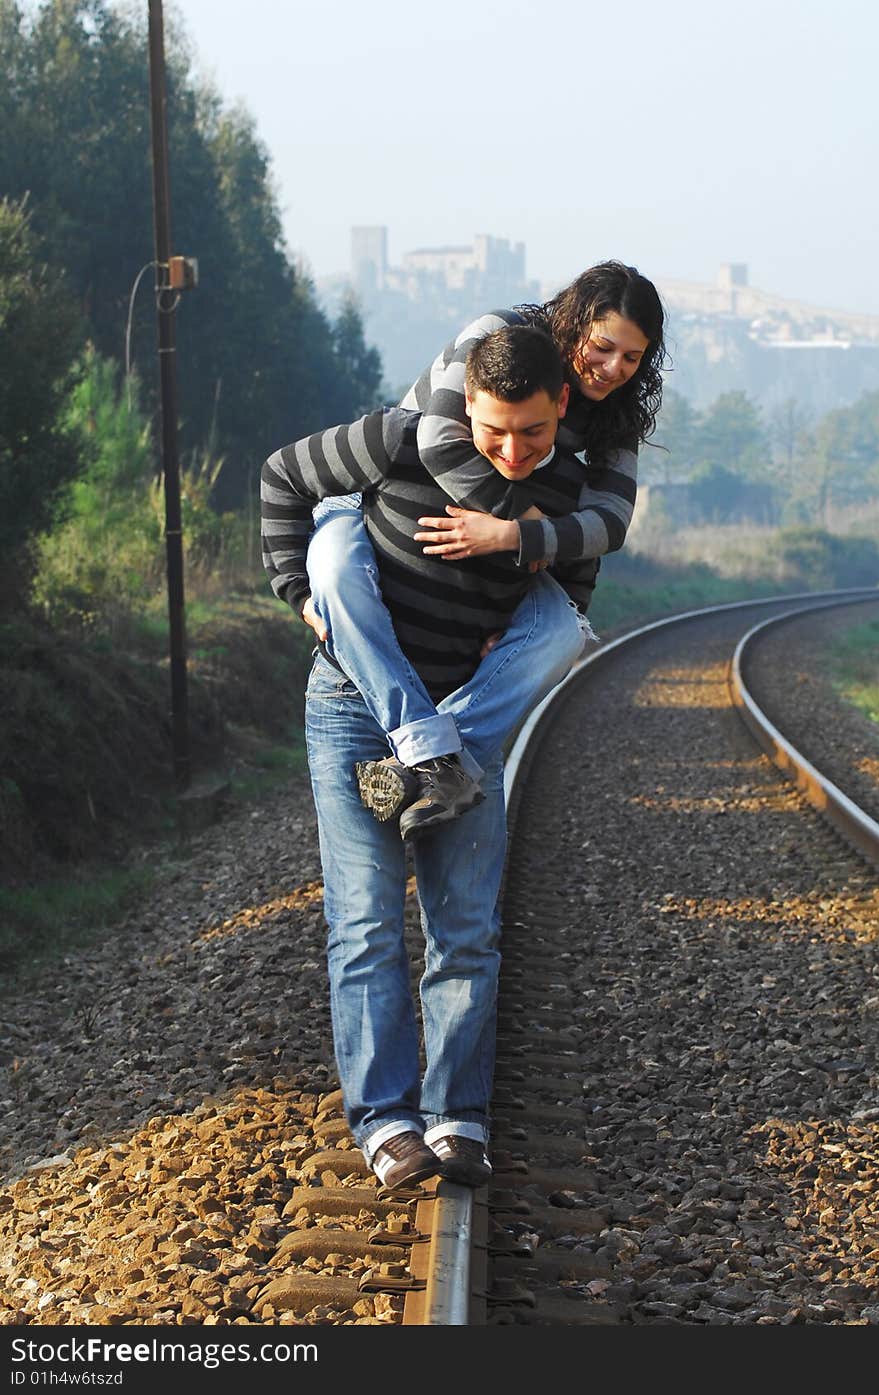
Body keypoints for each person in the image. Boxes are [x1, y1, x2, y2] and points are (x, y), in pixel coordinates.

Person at [261, 325, 598, 1189]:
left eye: (531, 430)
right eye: (495, 431)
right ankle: (384, 1122)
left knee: (466, 929)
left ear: (561, 406)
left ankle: (456, 1117)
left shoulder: (567, 489)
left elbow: (571, 598)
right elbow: (280, 477)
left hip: (462, 718)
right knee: (366, 921)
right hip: (353, 706)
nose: (514, 450)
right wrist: (299, 591)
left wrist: (517, 591)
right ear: (464, 409)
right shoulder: (399, 438)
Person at [302, 260, 666, 833]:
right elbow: (439, 440)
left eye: (632, 357)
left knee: (563, 636)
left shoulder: (615, 414)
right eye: (603, 347)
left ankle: (424, 766)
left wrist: (513, 538)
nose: (614, 368)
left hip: (499, 559)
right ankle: (430, 756)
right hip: (378, 505)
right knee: (335, 575)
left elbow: (610, 523)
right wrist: (521, 515)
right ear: (574, 323)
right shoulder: (497, 334)